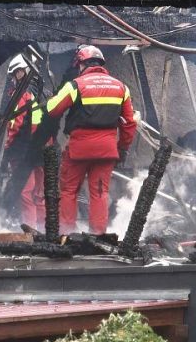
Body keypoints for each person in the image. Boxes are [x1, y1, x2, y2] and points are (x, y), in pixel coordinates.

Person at [43, 45, 138, 235]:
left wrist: (53, 96)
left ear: (81, 64)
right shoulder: (121, 87)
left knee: (69, 191)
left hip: (79, 149)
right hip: (107, 151)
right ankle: (97, 236)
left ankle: (66, 235)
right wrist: (122, 148)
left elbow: (52, 109)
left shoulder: (76, 85)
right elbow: (129, 123)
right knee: (100, 193)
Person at [1, 55, 49, 227]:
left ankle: (30, 232)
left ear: (22, 71)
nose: (14, 79)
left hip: (23, 151)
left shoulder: (21, 94)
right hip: (43, 150)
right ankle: (44, 232)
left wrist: (8, 149)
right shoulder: (43, 93)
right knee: (39, 193)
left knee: (25, 192)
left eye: (15, 74)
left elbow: (15, 123)